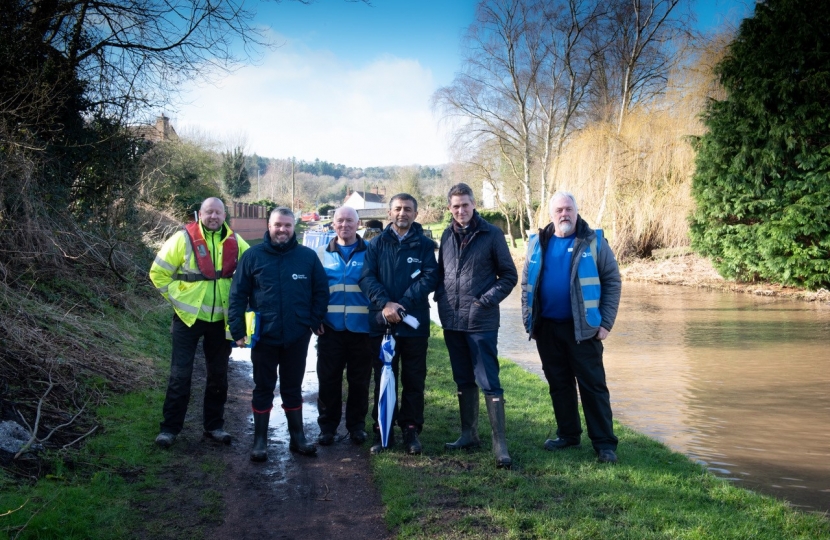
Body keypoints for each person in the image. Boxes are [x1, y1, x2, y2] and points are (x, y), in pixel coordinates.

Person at [521, 191, 622, 464]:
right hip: (548, 329)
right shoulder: (536, 243)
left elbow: (612, 281)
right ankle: (568, 434)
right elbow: (526, 284)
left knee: (593, 387)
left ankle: (604, 444)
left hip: (584, 329)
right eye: (559, 210)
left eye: (568, 209)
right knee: (559, 385)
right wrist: (528, 320)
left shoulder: (593, 241)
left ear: (576, 211)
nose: (563, 214)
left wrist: (606, 323)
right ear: (551, 215)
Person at [228, 207, 328, 462]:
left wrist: (312, 321)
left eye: (287, 225)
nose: (282, 230)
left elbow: (321, 291)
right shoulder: (252, 257)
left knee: (292, 387)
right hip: (264, 335)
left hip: (297, 334)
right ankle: (260, 441)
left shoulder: (307, 257)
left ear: (293, 227)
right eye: (277, 225)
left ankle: (298, 438)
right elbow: (238, 295)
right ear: (269, 226)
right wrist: (237, 330)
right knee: (263, 386)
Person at [149, 197, 250, 448]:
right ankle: (169, 429)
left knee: (218, 375)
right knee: (179, 375)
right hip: (187, 318)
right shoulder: (182, 238)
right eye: (208, 212)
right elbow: (157, 272)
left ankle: (214, 426)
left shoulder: (236, 242)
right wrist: (178, 297)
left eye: (218, 212)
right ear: (199, 214)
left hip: (221, 321)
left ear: (225, 215)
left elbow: (254, 271)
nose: (213, 216)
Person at [435, 183, 517, 469]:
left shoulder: (491, 234)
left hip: (481, 321)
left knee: (489, 380)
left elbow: (508, 276)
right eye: (456, 206)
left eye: (465, 205)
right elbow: (442, 274)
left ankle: (499, 444)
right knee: (462, 378)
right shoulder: (446, 235)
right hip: (452, 321)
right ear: (450, 208)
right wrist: (441, 299)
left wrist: (484, 301)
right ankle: (468, 434)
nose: (461, 210)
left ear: (474, 204)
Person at [359, 194, 439, 455]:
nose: (402, 213)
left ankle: (411, 430)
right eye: (397, 209)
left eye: (407, 209)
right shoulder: (376, 244)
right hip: (382, 323)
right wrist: (386, 304)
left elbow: (430, 278)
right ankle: (383, 431)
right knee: (384, 376)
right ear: (389, 213)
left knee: (414, 378)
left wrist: (401, 304)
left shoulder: (425, 246)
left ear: (416, 214)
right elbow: (366, 278)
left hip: (414, 325)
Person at [314, 206, 373, 446]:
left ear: (358, 224)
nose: (344, 225)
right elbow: (313, 291)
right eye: (340, 221)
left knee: (359, 382)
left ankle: (356, 427)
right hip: (330, 330)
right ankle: (327, 428)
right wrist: (314, 317)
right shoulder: (319, 254)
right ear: (333, 224)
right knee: (328, 381)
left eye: (350, 221)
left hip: (363, 329)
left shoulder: (371, 253)